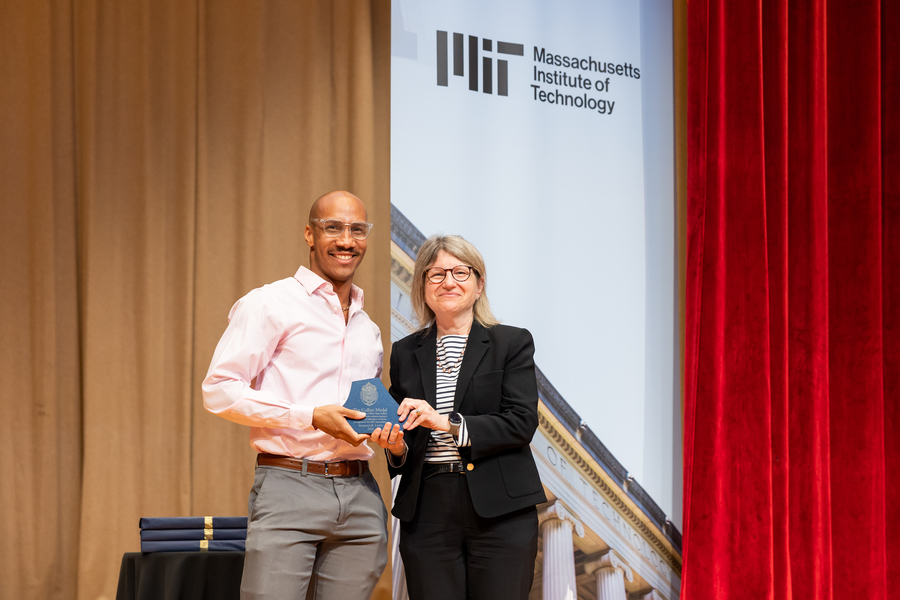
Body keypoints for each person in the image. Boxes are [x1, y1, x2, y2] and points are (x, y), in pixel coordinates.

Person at [202, 190, 402, 600]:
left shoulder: (368, 329)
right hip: (289, 483)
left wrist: (389, 437)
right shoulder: (269, 304)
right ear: (310, 234)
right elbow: (219, 390)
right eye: (333, 228)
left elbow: (364, 409)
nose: (346, 240)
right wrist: (309, 415)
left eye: (357, 230)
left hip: (361, 496)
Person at [370, 234, 547, 600]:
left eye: (460, 272)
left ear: (479, 285)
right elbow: (404, 438)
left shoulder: (511, 343)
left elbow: (521, 422)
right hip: (427, 509)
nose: (448, 282)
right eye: (436, 274)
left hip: (501, 510)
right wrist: (396, 447)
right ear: (423, 288)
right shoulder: (405, 352)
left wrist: (446, 423)